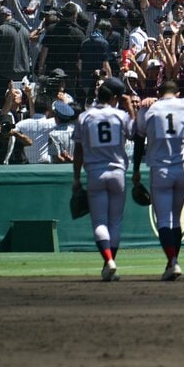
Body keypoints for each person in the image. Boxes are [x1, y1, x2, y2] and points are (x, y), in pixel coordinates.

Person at [73, 78, 135, 281]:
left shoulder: (85, 117)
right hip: (118, 172)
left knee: (99, 221)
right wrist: (129, 108)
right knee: (114, 221)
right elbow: (135, 133)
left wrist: (76, 179)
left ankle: (108, 261)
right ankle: (109, 263)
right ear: (115, 98)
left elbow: (79, 151)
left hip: (95, 173)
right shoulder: (120, 115)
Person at [135, 78, 184, 281]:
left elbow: (138, 140)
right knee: (176, 220)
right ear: (177, 93)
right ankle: (173, 261)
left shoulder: (148, 110)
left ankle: (172, 261)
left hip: (160, 168)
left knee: (163, 220)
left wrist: (135, 170)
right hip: (182, 167)